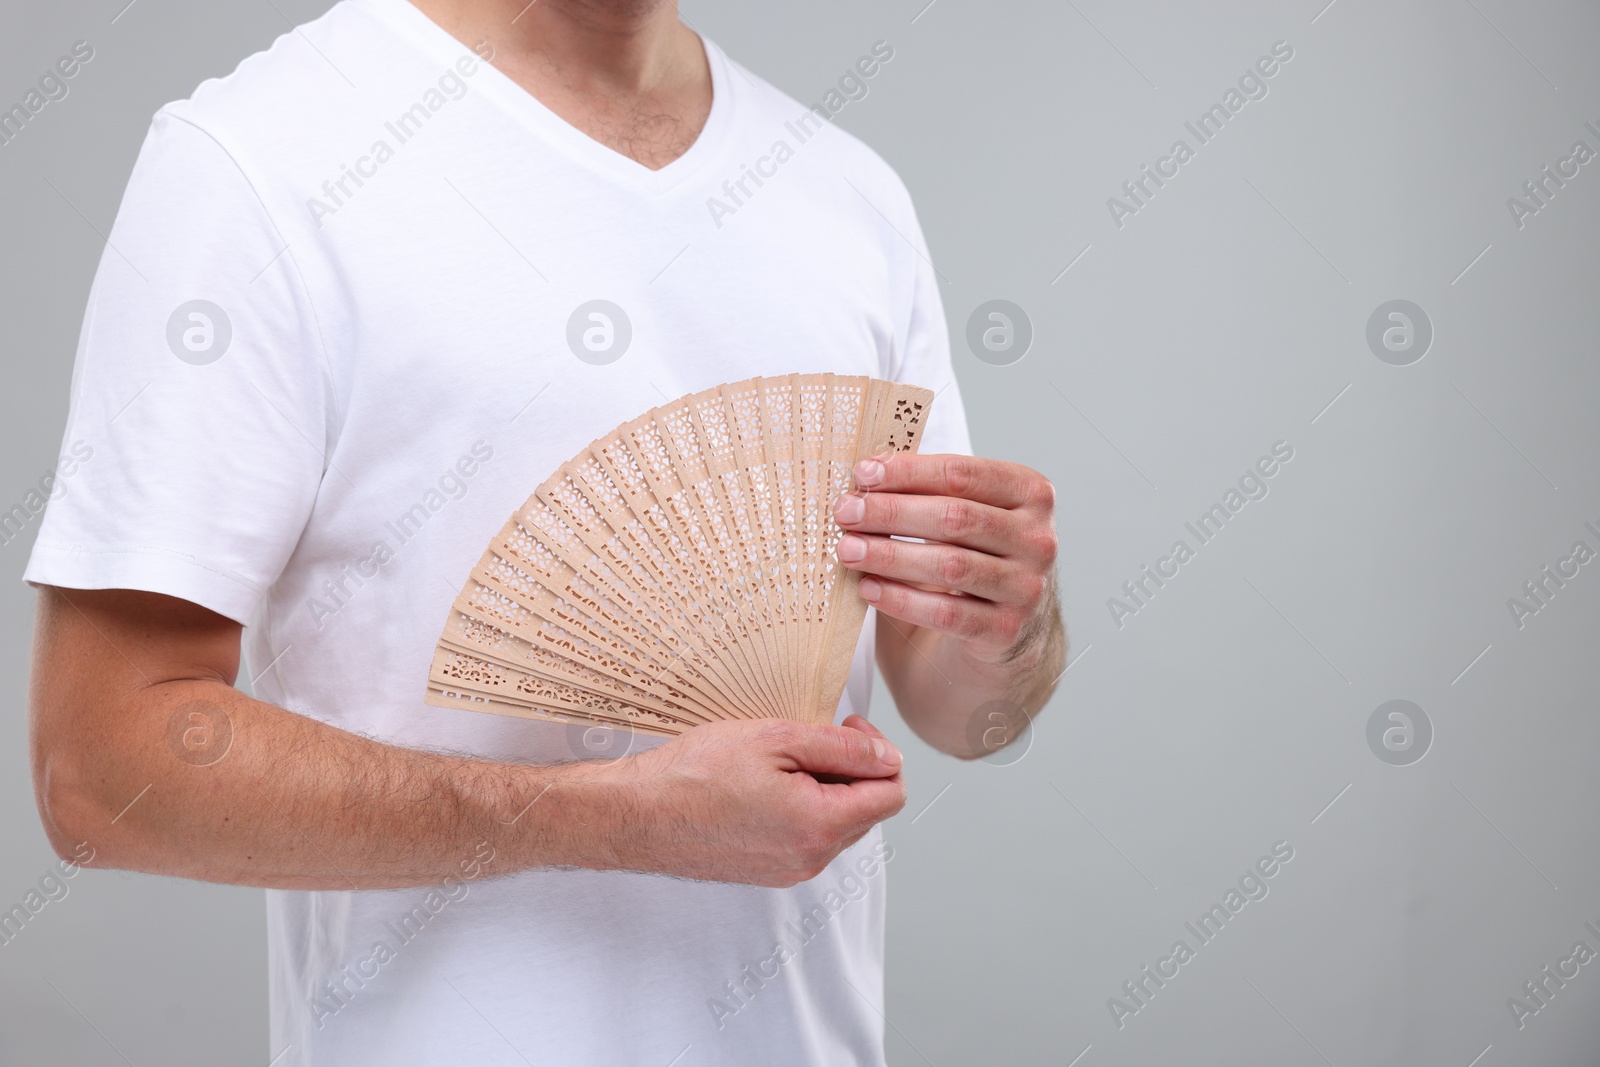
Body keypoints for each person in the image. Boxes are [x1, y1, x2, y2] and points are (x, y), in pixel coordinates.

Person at [25, 0, 1065, 1063]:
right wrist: (609, 816)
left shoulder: (846, 193)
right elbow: (101, 769)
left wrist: (1005, 626)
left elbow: (952, 704)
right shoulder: (261, 159)